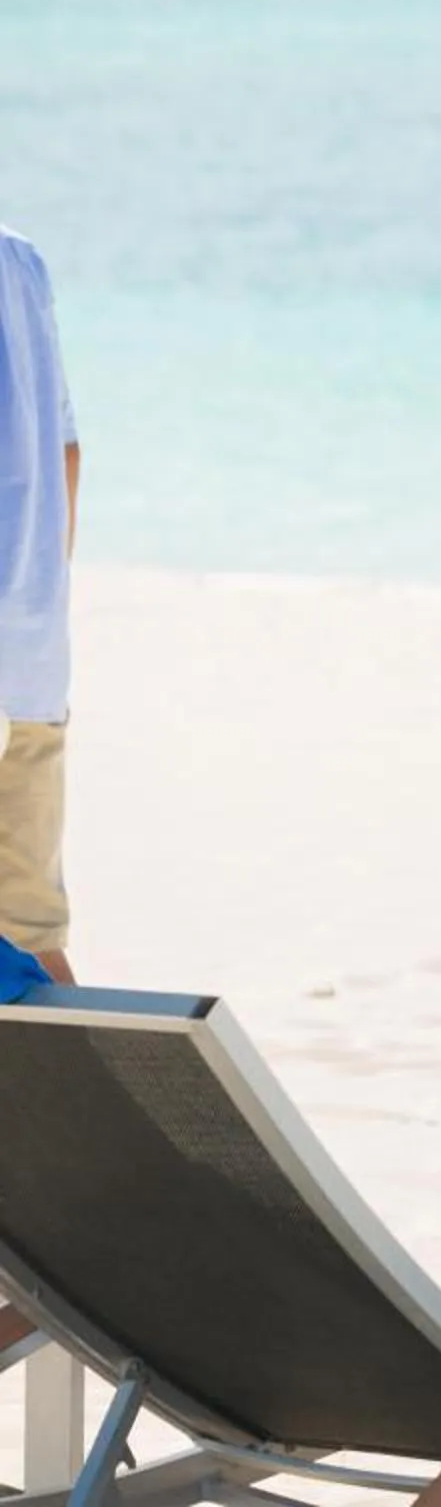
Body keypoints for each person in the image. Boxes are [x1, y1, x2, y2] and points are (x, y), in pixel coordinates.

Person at [0, 224, 80, 985]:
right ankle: (95, 1099)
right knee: (29, 929)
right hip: (31, 662)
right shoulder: (21, 262)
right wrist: (41, 603)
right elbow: (67, 452)